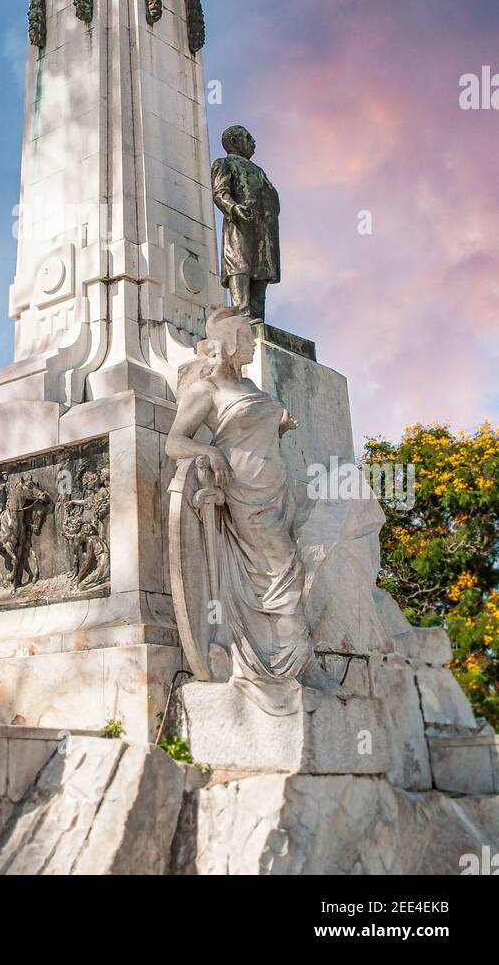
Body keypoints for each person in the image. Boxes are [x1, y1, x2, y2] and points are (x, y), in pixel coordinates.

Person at [165, 306, 344, 699]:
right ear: (228, 344)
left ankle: (284, 660)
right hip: (244, 496)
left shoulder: (250, 389)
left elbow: (251, 434)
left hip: (277, 493)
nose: (251, 343)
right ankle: (299, 666)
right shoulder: (206, 390)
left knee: (287, 570)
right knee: (285, 570)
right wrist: (210, 454)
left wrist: (277, 426)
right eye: (245, 337)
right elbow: (174, 442)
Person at [211, 125, 280, 322]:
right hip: (239, 222)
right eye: (248, 137)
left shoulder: (258, 170)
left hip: (263, 226)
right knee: (239, 264)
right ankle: (242, 313)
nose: (253, 142)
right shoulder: (223, 164)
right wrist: (233, 208)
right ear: (234, 141)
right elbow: (220, 192)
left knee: (262, 269)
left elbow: (270, 194)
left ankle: (258, 317)